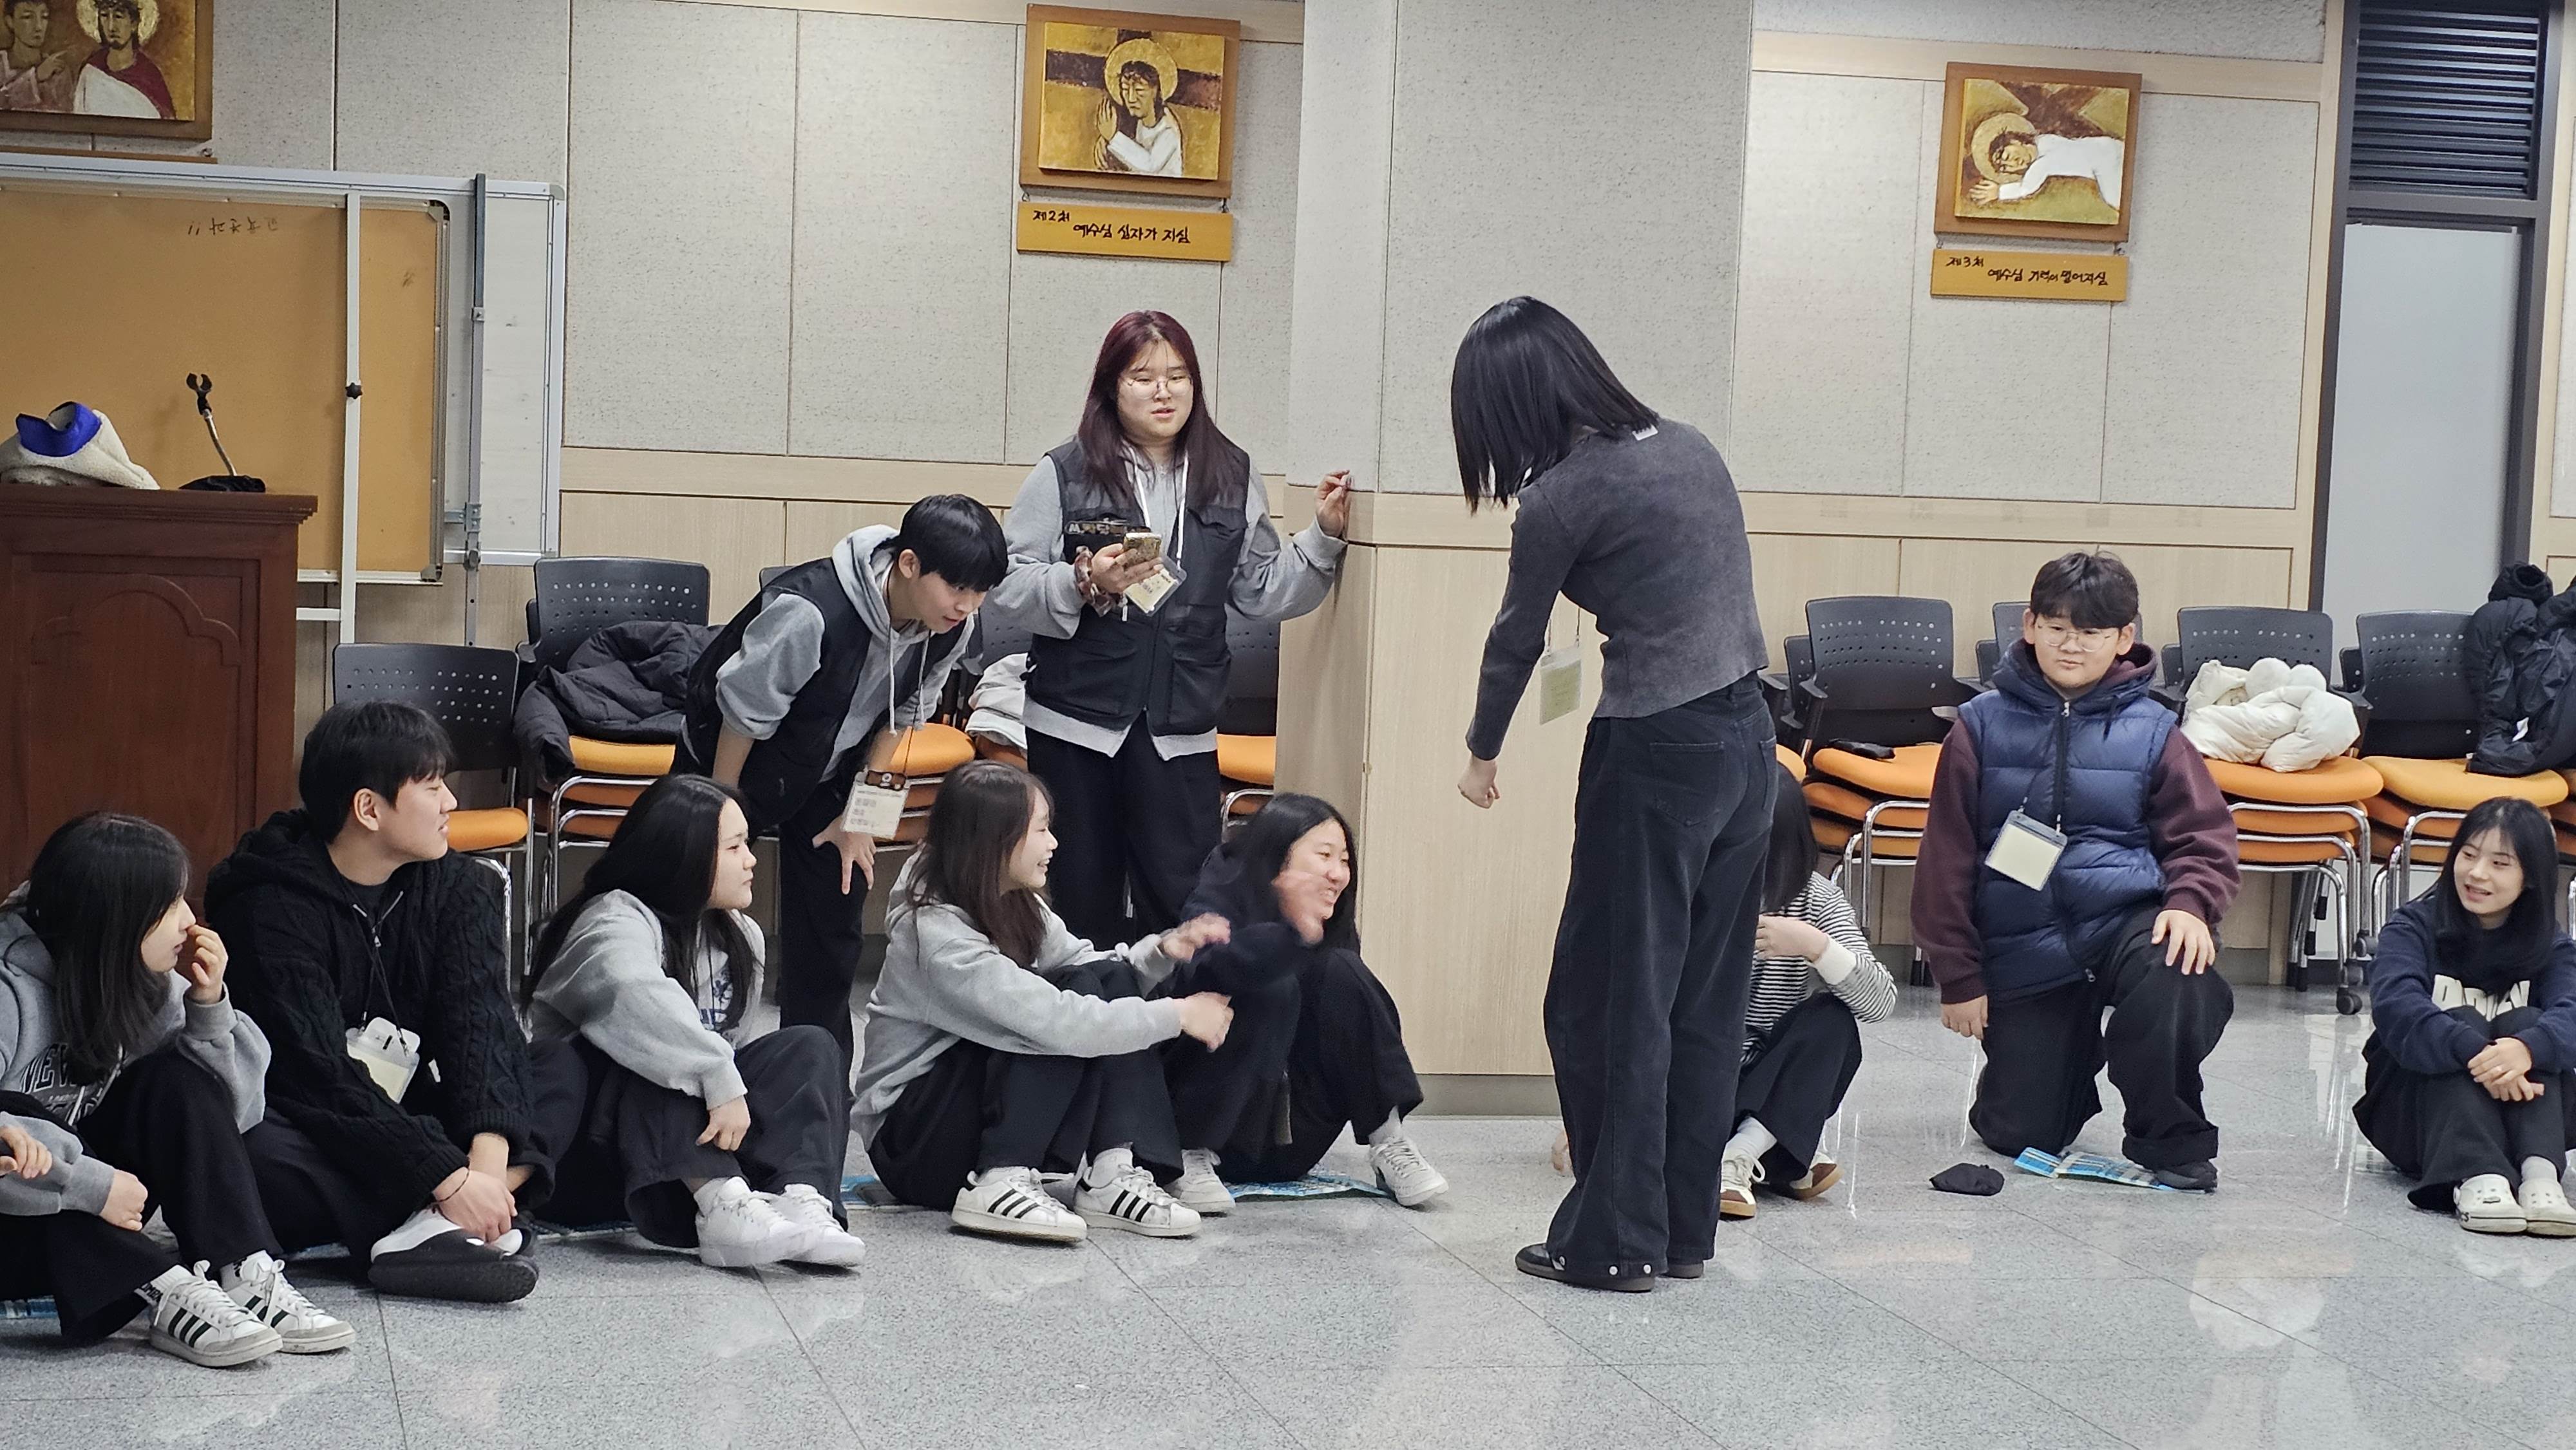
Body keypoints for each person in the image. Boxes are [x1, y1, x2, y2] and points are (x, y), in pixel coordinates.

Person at [1450, 297, 1774, 1294]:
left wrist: (1481, 752)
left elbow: (1516, 638)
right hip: (1750, 745)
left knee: (1604, 999)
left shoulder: (1562, 497)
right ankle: (1679, 1233)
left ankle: (1614, 1240)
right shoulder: (1691, 445)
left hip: (1657, 751)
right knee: (1703, 1001)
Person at [985, 310, 1352, 950]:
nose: (1164, 391)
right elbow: (1008, 583)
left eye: (1178, 376)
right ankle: (1087, 1014)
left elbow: (1260, 588)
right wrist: (1081, 581)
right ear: (1111, 387)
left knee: (1186, 903)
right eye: (1143, 377)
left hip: (1181, 726)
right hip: (1074, 722)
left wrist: (1321, 536)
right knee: (1081, 900)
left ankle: (1179, 1014)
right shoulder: (1063, 471)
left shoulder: (1232, 474)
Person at [208, 702, 573, 1304]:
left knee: (559, 1066)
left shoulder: (460, 886)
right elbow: (313, 1074)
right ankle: (440, 1222)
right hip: (319, 1117)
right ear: (369, 809)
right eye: (432, 787)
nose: (450, 803)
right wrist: (443, 1174)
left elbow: (481, 1027)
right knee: (252, 1144)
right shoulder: (268, 904)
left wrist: (481, 1169)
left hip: (410, 1112)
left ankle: (443, 1225)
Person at [1913, 551, 2240, 1191]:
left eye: (2090, 631)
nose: (2070, 644)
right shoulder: (1978, 727)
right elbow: (1945, 859)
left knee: (2180, 970)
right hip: (2025, 945)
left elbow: (2204, 837)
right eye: (2056, 627)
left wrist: (2190, 904)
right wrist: (1958, 976)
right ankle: (2056, 1056)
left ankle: (2170, 1135)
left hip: (2126, 924)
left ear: (2123, 637)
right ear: (2029, 626)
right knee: (2020, 1130)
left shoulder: (2157, 731)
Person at [0, 813, 350, 1367]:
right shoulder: (8, 992)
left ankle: (244, 1272)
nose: (189, 921)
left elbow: (237, 1115)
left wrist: (209, 1009)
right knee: (14, 1119)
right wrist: (90, 1185)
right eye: (170, 905)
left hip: (99, 1195)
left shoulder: (136, 978)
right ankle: (165, 1288)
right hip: (22, 1221)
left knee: (177, 1079)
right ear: (117, 919)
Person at [851, 761, 1235, 1243]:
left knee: (1102, 978)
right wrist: (1177, 1015)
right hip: (913, 1145)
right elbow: (1056, 1021)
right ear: (995, 840)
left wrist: (1160, 952)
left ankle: (1111, 1172)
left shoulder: (1011, 897)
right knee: (1050, 1022)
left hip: (960, 1115)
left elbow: (1091, 971)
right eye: (1041, 830)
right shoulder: (935, 936)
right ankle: (999, 1179)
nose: (1053, 843)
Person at [685, 494, 1007, 1066]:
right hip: (731, 765)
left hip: (829, 770)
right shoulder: (812, 612)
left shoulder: (950, 626)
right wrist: (720, 818)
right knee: (694, 905)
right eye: (957, 587)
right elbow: (742, 716)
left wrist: (859, 816)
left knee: (838, 902)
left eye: (981, 591)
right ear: (909, 564)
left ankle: (818, 1074)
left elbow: (904, 715)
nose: (968, 605)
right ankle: (680, 1063)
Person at [526, 773, 867, 1270]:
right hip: (596, 1160)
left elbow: (733, 1054)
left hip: (678, 1153)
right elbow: (632, 992)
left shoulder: (742, 935)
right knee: (653, 1056)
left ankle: (801, 1198)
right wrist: (715, 1074)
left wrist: (723, 1080)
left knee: (810, 1046)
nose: (751, 860)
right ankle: (721, 1205)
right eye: (734, 847)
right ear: (682, 855)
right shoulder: (611, 919)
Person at [1159, 793, 1448, 1213]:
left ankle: (1389, 1143)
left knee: (1342, 970)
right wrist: (1288, 936)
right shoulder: (1223, 886)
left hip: (1293, 1133)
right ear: (1277, 856)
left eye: (1344, 860)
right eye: (1324, 856)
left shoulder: (1326, 916)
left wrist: (1305, 935)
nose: (1338, 873)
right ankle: (1191, 1153)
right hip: (1214, 1123)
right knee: (1268, 986)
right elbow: (1206, 970)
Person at [2353, 798, 2576, 1236]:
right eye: (2468, 855)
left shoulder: (2550, 944)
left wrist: (2526, 1049)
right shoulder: (2412, 926)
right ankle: (2479, 1177)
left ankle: (2540, 1178)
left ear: (2531, 876)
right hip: (2417, 1122)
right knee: (2460, 1023)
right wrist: (2478, 1053)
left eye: (2499, 863)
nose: (2476, 873)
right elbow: (2397, 1008)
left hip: (2522, 1127)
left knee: (2528, 1026)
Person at [1718, 764, 1898, 1219]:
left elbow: (1880, 1002)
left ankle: (1741, 1155)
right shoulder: (1698, 891)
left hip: (1766, 1076)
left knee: (1834, 1022)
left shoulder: (1817, 899)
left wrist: (1815, 946)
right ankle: (1783, 1149)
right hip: (1698, 1079)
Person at [1097, 39, 1184, 176]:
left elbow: (1149, 166)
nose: (1131, 98)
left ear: (1156, 91)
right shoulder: (1139, 122)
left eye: (1139, 90)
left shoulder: (1168, 130)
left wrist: (1114, 138)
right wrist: (1106, 143)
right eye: (1125, 89)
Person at [71, 0, 169, 119]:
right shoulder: (91, 71)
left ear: (134, 23)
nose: (111, 26)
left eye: (118, 16)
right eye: (104, 16)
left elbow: (165, 121)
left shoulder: (149, 75)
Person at [0, 1, 74, 111]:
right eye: (28, 17)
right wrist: (36, 77)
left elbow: (67, 115)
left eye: (44, 17)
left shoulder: (58, 71)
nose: (38, 27)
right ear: (10, 22)